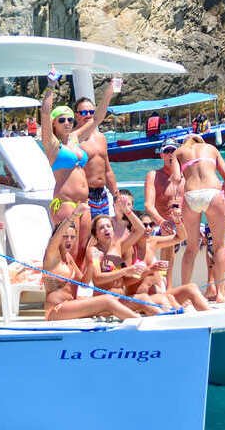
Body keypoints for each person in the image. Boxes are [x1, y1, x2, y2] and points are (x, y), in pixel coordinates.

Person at [41, 81, 115, 266]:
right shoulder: (52, 145)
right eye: (62, 120)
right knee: (69, 251)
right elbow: (44, 112)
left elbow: (97, 118)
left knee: (83, 249)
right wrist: (50, 85)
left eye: (69, 120)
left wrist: (109, 92)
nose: (67, 123)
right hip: (66, 203)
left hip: (84, 202)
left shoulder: (75, 138)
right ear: (54, 124)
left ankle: (78, 292)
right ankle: (66, 290)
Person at [43, 205, 138, 321]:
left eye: (72, 237)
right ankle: (140, 322)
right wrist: (74, 215)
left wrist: (91, 264)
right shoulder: (51, 256)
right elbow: (55, 239)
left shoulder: (68, 258)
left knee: (110, 302)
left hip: (71, 304)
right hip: (56, 310)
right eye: (65, 236)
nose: (69, 240)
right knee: (107, 300)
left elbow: (84, 282)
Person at [176, 134, 225, 302]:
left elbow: (176, 179)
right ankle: (220, 293)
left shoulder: (179, 152)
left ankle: (184, 295)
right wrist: (222, 194)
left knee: (191, 247)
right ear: (201, 142)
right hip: (213, 193)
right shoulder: (211, 149)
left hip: (191, 194)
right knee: (219, 246)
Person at [129, 209, 209, 311]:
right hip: (142, 299)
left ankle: (215, 324)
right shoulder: (129, 249)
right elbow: (126, 281)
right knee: (168, 299)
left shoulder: (152, 242)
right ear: (135, 226)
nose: (149, 228)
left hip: (160, 294)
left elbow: (181, 237)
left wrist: (177, 221)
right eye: (145, 225)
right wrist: (150, 270)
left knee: (191, 288)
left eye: (151, 224)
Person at [85, 213, 159, 315]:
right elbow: (97, 279)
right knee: (143, 299)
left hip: (120, 299)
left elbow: (140, 229)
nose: (106, 229)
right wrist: (124, 271)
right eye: (101, 228)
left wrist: (127, 210)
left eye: (109, 226)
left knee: (159, 299)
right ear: (96, 234)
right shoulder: (94, 251)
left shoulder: (118, 247)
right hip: (104, 303)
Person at [143, 141, 185, 287]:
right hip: (162, 224)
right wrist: (162, 222)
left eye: (173, 150)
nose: (170, 154)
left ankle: (213, 287)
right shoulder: (153, 175)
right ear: (161, 155)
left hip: (183, 224)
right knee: (168, 233)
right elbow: (148, 205)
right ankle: (168, 287)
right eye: (166, 151)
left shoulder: (187, 176)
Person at [75, 95, 119, 218]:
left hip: (103, 195)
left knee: (104, 233)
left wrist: (116, 194)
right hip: (85, 196)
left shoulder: (101, 138)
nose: (88, 115)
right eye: (84, 112)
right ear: (76, 115)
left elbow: (108, 170)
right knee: (86, 235)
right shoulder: (74, 139)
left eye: (91, 112)